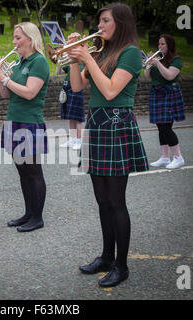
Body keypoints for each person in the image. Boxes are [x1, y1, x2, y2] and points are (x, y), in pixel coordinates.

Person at [67, 3, 149, 287]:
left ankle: (122, 265)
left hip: (116, 123)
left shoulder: (131, 54)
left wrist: (87, 57)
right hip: (96, 124)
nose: (99, 27)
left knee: (116, 201)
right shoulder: (103, 51)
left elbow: (112, 90)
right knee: (102, 201)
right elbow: (77, 87)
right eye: (99, 21)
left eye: (105, 21)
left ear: (121, 23)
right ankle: (105, 257)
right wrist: (74, 58)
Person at [0, 22, 50, 232]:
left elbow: (30, 92)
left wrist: (5, 79)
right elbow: (5, 94)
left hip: (29, 121)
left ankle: (37, 217)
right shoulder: (19, 62)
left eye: (18, 37)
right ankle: (28, 213)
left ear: (30, 38)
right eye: (14, 37)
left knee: (34, 172)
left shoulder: (39, 62)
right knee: (22, 172)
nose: (14, 42)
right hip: (14, 120)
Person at [144, 34, 185, 169]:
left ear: (169, 45)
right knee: (160, 126)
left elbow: (169, 76)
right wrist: (149, 64)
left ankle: (178, 157)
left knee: (166, 127)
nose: (160, 46)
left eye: (163, 44)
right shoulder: (158, 59)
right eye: (159, 44)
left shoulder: (176, 60)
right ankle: (165, 157)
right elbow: (147, 76)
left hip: (169, 93)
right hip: (157, 93)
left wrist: (157, 63)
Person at [56, 64, 85, 150]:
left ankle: (79, 141)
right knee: (71, 117)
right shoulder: (70, 64)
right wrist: (59, 63)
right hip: (66, 89)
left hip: (76, 90)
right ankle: (72, 139)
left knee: (78, 118)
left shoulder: (82, 65)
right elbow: (58, 72)